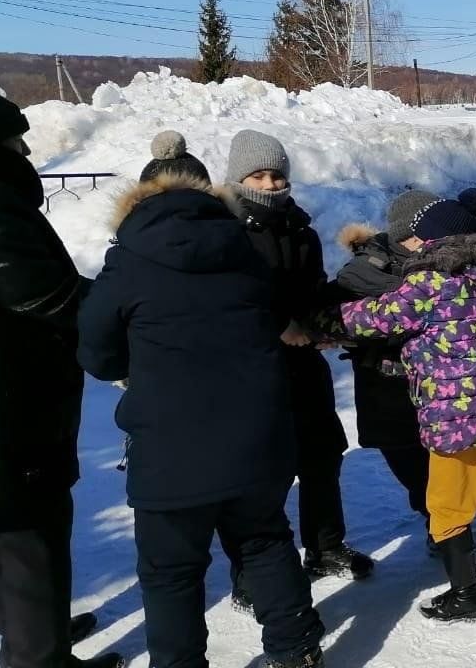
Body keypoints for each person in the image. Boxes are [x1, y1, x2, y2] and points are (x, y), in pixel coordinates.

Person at [77, 161, 324, 668]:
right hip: (257, 432)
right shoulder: (244, 250)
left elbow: (96, 353)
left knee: (171, 571)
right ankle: (297, 650)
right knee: (264, 541)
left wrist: (139, 361)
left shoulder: (128, 260)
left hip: (170, 444)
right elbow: (272, 318)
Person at [323, 193, 476, 624]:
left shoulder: (428, 284)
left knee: (447, 506)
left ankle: (467, 596)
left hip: (455, 420)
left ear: (431, 239)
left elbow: (375, 317)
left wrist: (326, 318)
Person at [0, 96, 123, 668]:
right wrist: (130, 308)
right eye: (16, 141)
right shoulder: (0, 208)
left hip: (18, 404)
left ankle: (38, 629)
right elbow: (51, 295)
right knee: (28, 539)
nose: (27, 151)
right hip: (13, 415)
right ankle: (38, 651)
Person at [223, 130, 371, 613]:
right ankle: (248, 571)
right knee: (259, 473)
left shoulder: (300, 229)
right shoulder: (224, 231)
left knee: (322, 456)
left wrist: (329, 321)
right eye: (258, 175)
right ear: (238, 178)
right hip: (249, 370)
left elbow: (312, 290)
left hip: (304, 365)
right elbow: (226, 302)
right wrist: (280, 326)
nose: (269, 184)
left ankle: (325, 547)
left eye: (277, 174)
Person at [329, 189, 438, 537]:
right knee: (410, 463)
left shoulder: (445, 262)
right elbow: (328, 315)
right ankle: (435, 519)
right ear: (408, 233)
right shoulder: (365, 269)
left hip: (439, 384)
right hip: (386, 386)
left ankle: (450, 519)